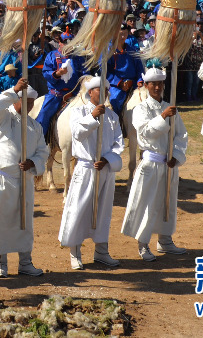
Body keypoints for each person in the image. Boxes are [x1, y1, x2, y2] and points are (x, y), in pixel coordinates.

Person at [0, 78, 49, 278]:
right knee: (1, 223)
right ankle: (2, 264)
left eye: (31, 102)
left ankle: (25, 262)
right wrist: (14, 90)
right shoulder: (2, 118)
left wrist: (33, 162)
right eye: (24, 101)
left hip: (23, 181)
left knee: (24, 223)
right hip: (2, 179)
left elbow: (42, 152)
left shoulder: (36, 126)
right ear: (15, 100)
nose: (28, 106)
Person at [121, 67, 188, 261]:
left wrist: (176, 154)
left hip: (169, 164)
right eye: (153, 84)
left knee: (167, 203)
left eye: (160, 84)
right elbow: (145, 132)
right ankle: (143, 244)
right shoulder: (141, 109)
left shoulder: (170, 106)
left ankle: (165, 240)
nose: (157, 87)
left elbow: (181, 135)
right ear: (147, 86)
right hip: (151, 163)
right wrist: (163, 117)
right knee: (147, 204)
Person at [58, 77, 124, 269]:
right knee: (79, 209)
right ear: (90, 92)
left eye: (106, 90)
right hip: (86, 168)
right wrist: (93, 116)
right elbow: (78, 133)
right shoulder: (78, 112)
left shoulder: (112, 117)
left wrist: (108, 159)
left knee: (103, 211)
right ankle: (75, 252)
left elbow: (118, 143)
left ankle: (101, 251)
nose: (104, 93)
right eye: (100, 90)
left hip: (105, 169)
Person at [37, 37, 85, 136]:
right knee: (44, 114)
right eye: (65, 43)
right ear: (60, 43)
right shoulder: (52, 56)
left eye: (71, 44)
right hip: (56, 94)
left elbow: (84, 72)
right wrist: (58, 73)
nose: (68, 46)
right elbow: (46, 72)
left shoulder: (78, 57)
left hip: (75, 93)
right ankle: (39, 138)